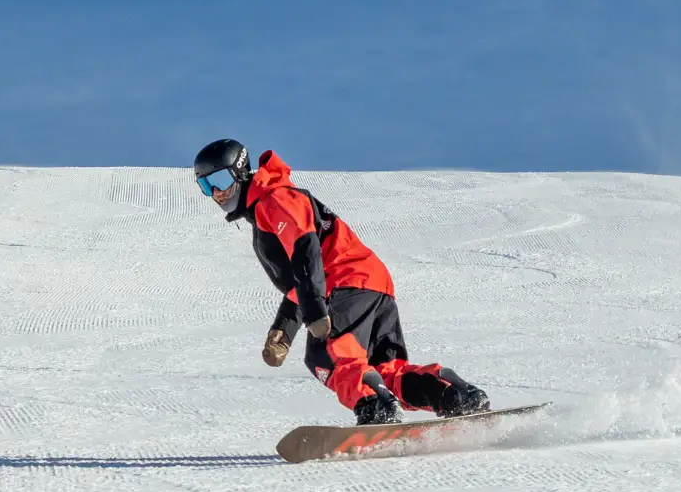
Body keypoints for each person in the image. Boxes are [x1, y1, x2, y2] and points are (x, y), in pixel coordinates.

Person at [193, 139, 488, 427]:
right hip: (370, 282)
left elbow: (306, 251)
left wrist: (314, 311)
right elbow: (302, 275)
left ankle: (375, 407)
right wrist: (283, 329)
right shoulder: (268, 205)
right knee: (384, 370)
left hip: (346, 281)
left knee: (326, 358)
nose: (216, 192)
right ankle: (451, 394)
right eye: (206, 186)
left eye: (219, 180)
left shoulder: (274, 199)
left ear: (240, 172)